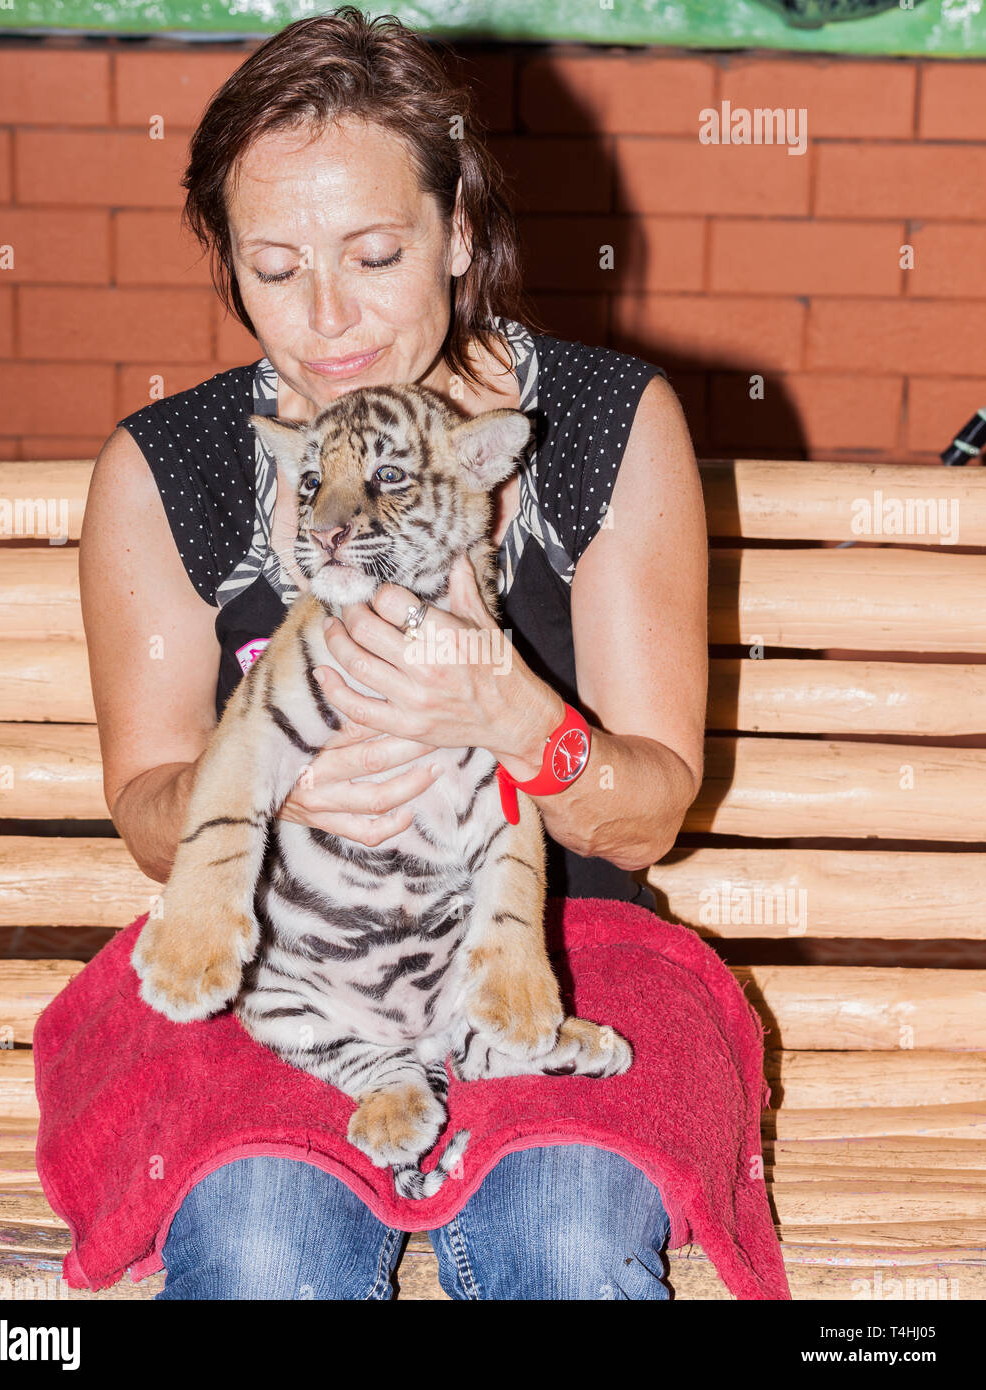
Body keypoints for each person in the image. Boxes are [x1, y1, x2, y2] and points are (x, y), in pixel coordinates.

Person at [78, 7, 707, 1300]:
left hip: (560, 946)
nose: (324, 317)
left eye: (373, 254)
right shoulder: (172, 468)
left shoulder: (598, 426)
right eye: (271, 266)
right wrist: (263, 785)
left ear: (459, 231)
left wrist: (513, 715)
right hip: (292, 959)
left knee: (571, 1235)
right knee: (256, 1246)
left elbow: (646, 814)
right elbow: (148, 812)